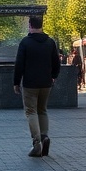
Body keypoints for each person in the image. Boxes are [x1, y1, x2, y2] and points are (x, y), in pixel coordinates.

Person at [13, 15, 60, 157]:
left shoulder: (25, 42)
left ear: (30, 25)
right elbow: (56, 62)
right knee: (42, 110)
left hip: (30, 84)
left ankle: (37, 141)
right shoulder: (50, 42)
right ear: (41, 25)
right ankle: (45, 136)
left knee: (31, 111)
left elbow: (19, 64)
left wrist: (16, 82)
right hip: (46, 83)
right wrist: (54, 76)